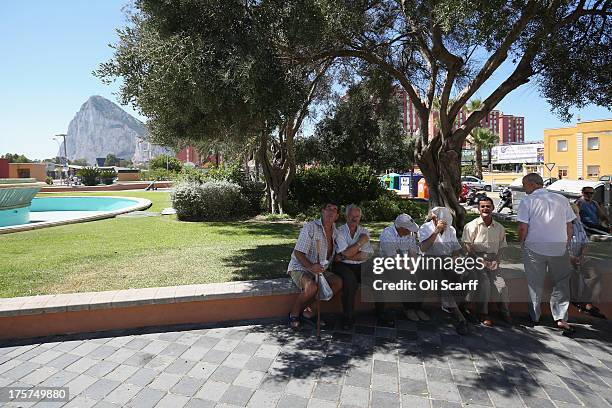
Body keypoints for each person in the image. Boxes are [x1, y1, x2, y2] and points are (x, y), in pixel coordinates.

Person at [517, 173, 575, 333]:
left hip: (535, 248)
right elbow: (569, 225)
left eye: (524, 184)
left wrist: (521, 243)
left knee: (534, 283)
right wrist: (566, 244)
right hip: (559, 248)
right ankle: (561, 317)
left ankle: (535, 316)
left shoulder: (527, 201)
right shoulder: (562, 199)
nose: (523, 188)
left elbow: (523, 227)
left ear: (532, 184)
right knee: (561, 283)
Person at [287, 202, 343, 329]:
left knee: (337, 282)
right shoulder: (310, 227)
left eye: (335, 210)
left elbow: (338, 252)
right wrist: (311, 267)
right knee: (311, 287)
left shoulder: (336, 232)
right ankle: (294, 312)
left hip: (320, 269)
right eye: (328, 208)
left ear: (337, 216)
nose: (331, 212)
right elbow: (298, 252)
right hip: (300, 266)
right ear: (323, 211)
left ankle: (310, 310)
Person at [462, 197, 511, 326]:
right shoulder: (471, 226)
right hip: (475, 259)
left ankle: (505, 312)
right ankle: (482, 313)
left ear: (493, 208)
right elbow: (467, 246)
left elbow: (502, 247)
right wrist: (480, 260)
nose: (485, 209)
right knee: (484, 283)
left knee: (502, 286)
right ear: (478, 209)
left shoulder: (499, 228)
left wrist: (497, 260)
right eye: (482, 206)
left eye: (488, 206)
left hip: (492, 260)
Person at [419, 207, 469, 334]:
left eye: (447, 224)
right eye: (444, 223)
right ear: (435, 218)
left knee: (466, 274)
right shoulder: (425, 228)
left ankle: (456, 306)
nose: (446, 226)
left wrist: (456, 257)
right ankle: (459, 316)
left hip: (446, 261)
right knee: (440, 276)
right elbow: (424, 248)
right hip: (429, 262)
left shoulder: (450, 229)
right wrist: (436, 231)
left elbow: (455, 247)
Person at [379, 213, 430, 322]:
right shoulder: (387, 234)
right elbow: (393, 259)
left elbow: (413, 253)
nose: (411, 231)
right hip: (388, 264)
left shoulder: (409, 234)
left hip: (406, 262)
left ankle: (418, 307)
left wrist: (415, 266)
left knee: (424, 273)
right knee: (406, 276)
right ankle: (409, 308)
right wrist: (409, 270)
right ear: (401, 228)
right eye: (408, 229)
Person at [332, 204, 374, 329]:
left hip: (359, 264)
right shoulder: (339, 232)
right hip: (341, 265)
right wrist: (360, 242)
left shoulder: (364, 232)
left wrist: (345, 255)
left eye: (357, 216)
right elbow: (345, 253)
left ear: (360, 217)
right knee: (350, 282)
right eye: (352, 216)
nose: (354, 219)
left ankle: (381, 313)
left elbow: (365, 255)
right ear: (346, 216)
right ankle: (348, 317)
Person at [569, 203, 606, 319]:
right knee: (573, 273)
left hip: (580, 256)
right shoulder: (561, 227)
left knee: (595, 273)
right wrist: (572, 258)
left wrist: (581, 256)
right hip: (566, 258)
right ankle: (576, 301)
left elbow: (585, 243)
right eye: (574, 213)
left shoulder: (579, 225)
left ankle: (585, 302)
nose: (577, 215)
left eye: (577, 213)